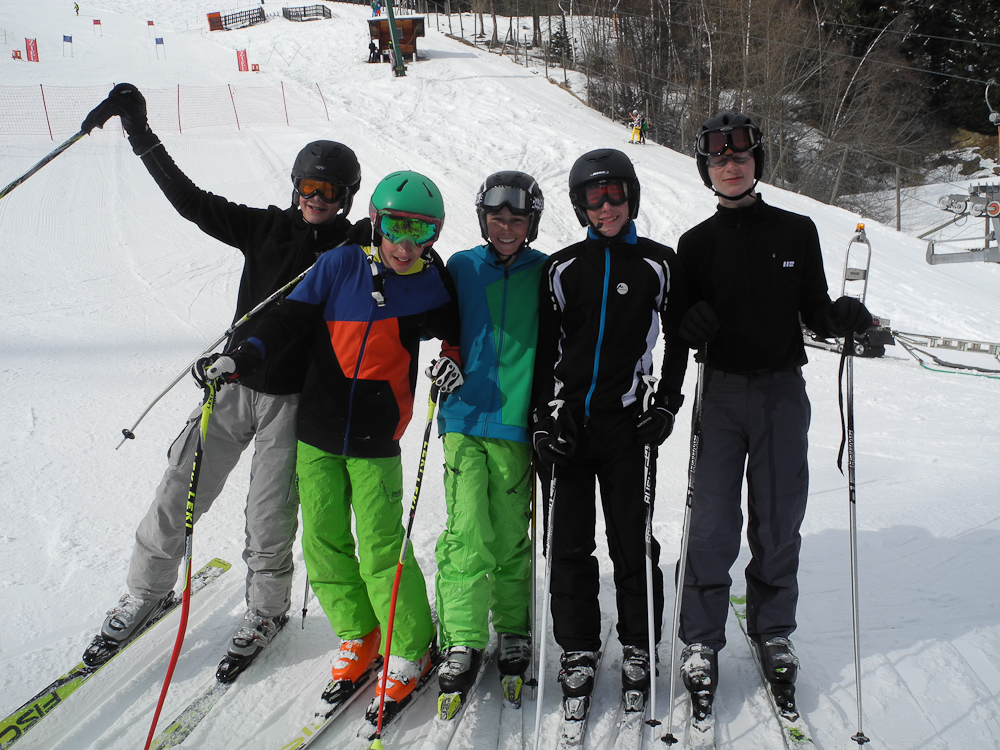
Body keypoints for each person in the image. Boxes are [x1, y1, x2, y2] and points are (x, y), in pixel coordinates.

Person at [77, 84, 368, 673]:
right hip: (231, 385)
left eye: (330, 192)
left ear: (346, 198)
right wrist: (140, 132)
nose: (316, 199)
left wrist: (375, 239)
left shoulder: (351, 250)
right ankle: (146, 592)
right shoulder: (264, 228)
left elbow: (412, 259)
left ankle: (265, 609)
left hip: (292, 402)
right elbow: (191, 201)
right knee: (179, 489)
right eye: (308, 187)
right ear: (294, 186)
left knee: (269, 514)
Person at [215, 171, 460, 724]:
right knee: (323, 540)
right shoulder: (341, 263)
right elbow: (288, 318)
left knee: (380, 548)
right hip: (317, 430)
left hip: (378, 435)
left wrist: (453, 356)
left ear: (435, 235)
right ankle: (359, 633)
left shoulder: (429, 282)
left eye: (421, 232)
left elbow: (458, 331)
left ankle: (410, 645)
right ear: (375, 219)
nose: (405, 244)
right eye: (396, 226)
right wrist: (245, 352)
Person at [674, 112, 873, 718]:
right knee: (711, 522)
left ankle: (773, 629)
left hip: (782, 393)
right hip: (721, 394)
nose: (730, 165)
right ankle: (701, 639)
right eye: (718, 159)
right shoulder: (695, 244)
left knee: (780, 517)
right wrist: (688, 323)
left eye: (740, 156)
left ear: (757, 162)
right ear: (707, 170)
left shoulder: (796, 231)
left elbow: (814, 309)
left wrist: (840, 316)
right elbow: (677, 321)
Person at [532, 149, 687, 714]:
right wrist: (544, 416)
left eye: (615, 194)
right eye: (593, 198)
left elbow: (678, 338)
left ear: (631, 196)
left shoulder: (658, 263)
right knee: (568, 540)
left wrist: (666, 403)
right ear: (580, 207)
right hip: (570, 424)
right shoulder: (562, 268)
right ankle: (578, 646)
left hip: (627, 424)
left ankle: (639, 643)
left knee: (632, 539)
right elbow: (545, 348)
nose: (606, 207)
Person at [429, 172, 547, 713]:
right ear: (483, 219)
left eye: (516, 220)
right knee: (467, 531)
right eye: (497, 219)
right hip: (463, 416)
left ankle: (513, 626)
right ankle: (463, 635)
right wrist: (447, 359)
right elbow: (444, 327)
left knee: (510, 532)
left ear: (531, 224)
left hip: (515, 421)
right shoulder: (462, 267)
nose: (506, 228)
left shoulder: (544, 272)